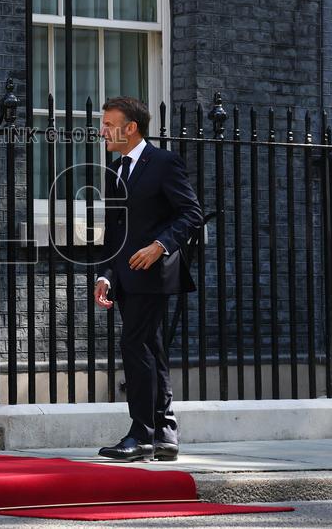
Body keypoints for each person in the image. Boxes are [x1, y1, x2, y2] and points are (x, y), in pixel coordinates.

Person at [94, 96, 202, 462]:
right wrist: (106, 275)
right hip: (124, 276)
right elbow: (114, 231)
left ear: (131, 128)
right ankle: (165, 432)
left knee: (135, 345)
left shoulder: (164, 162)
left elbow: (191, 214)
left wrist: (160, 245)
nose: (102, 131)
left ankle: (141, 434)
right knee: (151, 350)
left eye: (109, 124)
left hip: (154, 272)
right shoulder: (113, 169)